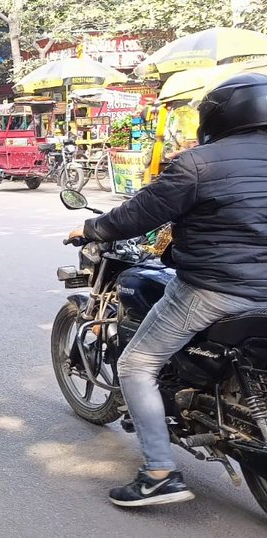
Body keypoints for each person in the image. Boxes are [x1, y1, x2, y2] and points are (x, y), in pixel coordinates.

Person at [67, 73, 267, 507]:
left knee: (137, 364)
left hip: (218, 288)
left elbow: (138, 215)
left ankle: (159, 471)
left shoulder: (200, 163)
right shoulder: (201, 161)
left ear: (217, 115)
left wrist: (89, 228)